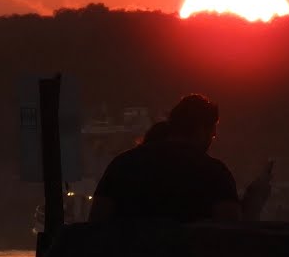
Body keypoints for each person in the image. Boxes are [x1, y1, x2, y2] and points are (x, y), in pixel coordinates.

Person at [87, 93, 271, 222]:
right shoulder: (214, 174)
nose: (212, 140)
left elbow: (96, 223)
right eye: (212, 134)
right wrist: (253, 204)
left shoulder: (122, 165)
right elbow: (230, 235)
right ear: (201, 130)